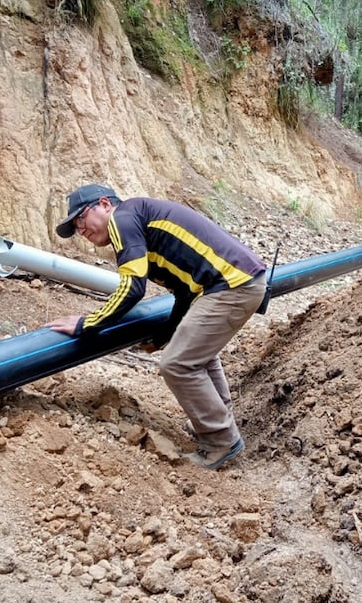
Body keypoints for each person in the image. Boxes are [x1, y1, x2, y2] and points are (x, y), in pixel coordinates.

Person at [45, 184, 267, 471]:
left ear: (104, 204)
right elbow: (184, 293)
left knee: (177, 364)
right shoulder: (138, 222)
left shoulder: (122, 219)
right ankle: (215, 419)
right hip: (234, 283)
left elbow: (132, 288)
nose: (81, 230)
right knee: (195, 353)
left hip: (230, 286)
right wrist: (164, 336)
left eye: (81, 218)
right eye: (75, 228)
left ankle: (221, 440)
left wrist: (85, 324)